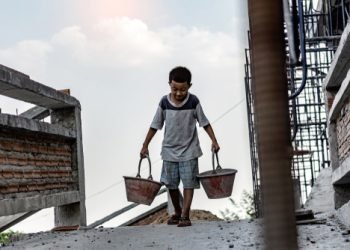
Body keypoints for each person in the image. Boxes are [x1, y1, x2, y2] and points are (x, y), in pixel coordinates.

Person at [140, 66, 220, 227]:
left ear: (189, 86)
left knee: (189, 183)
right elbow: (155, 125)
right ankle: (177, 211)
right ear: (169, 84)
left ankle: (184, 215)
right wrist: (145, 145)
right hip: (169, 151)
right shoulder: (164, 102)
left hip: (189, 151)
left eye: (182, 90)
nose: (178, 93)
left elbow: (205, 122)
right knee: (171, 184)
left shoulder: (193, 101)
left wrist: (214, 140)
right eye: (175, 89)